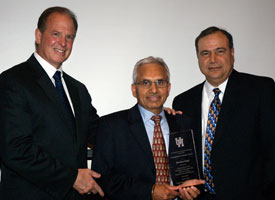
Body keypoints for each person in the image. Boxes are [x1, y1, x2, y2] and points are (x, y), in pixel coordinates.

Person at [0, 7, 104, 200]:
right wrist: (71, 178)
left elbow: (101, 134)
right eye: (56, 34)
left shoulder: (78, 90)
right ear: (38, 35)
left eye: (70, 37)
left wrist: (147, 115)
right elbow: (15, 149)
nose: (63, 43)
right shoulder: (13, 81)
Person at [173, 26, 275, 200]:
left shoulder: (261, 90)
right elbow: (183, 155)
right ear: (198, 57)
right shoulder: (183, 101)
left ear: (232, 53)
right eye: (205, 53)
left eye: (220, 51)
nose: (213, 59)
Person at [92, 56, 205, 200]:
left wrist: (191, 188)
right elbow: (101, 179)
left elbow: (196, 172)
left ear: (168, 88)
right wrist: (149, 191)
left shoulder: (184, 124)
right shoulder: (111, 126)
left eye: (160, 82)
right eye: (146, 83)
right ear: (134, 89)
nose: (154, 89)